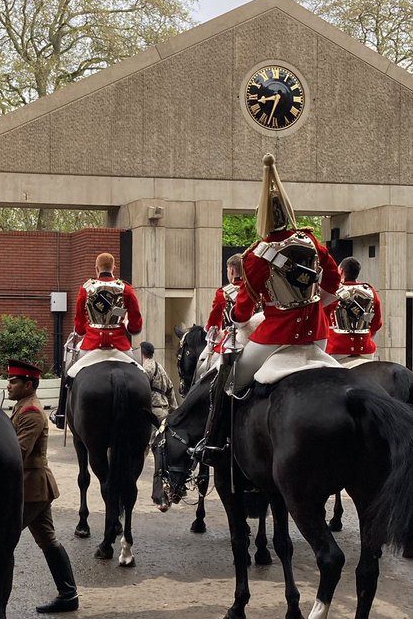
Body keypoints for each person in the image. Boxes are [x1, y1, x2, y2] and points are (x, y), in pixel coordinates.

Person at [194, 152, 341, 465]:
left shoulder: (256, 257)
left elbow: (244, 311)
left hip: (275, 337)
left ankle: (216, 442)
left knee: (229, 378)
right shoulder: (312, 242)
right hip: (318, 336)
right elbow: (333, 279)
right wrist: (319, 302)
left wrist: (237, 317)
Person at [7, 359, 79, 614]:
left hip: (32, 487)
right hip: (34, 488)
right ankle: (68, 594)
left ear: (29, 384)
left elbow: (18, 452)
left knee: (3, 541)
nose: (9, 385)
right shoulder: (22, 407)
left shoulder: (31, 412)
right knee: (47, 538)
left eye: (14, 381)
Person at [50, 252, 143, 429]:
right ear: (113, 267)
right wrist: (129, 327)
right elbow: (136, 325)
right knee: (143, 376)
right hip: (121, 346)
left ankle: (61, 415)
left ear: (96, 268)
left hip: (91, 346)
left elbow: (79, 326)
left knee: (69, 370)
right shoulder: (127, 289)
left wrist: (86, 328)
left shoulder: (86, 288)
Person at [327, 257, 382, 363]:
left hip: (337, 349)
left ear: (341, 271)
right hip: (365, 349)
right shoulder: (370, 291)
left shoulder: (333, 292)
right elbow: (376, 324)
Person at [140, 341, 177, 419]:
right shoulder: (160, 367)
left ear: (141, 353)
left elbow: (140, 391)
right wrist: (174, 409)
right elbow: (170, 388)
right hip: (165, 411)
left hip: (153, 412)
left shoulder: (146, 369)